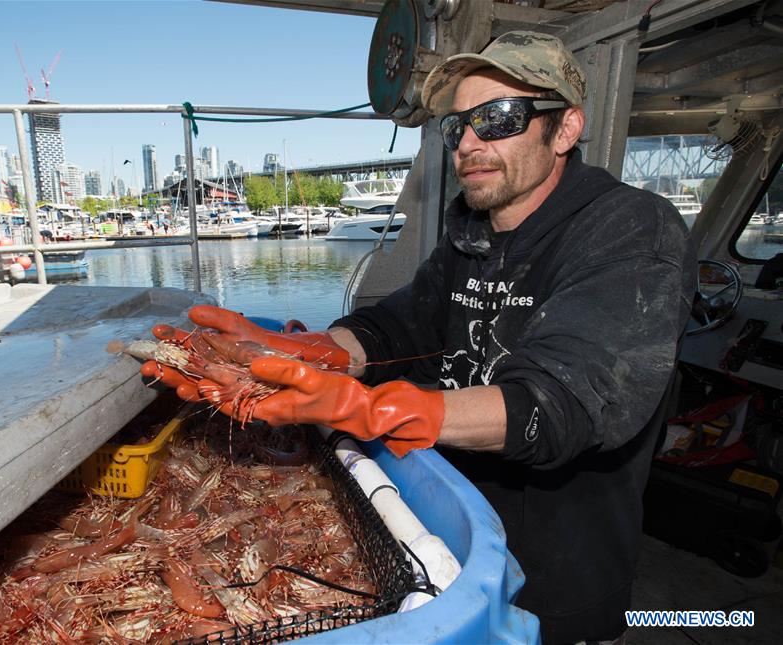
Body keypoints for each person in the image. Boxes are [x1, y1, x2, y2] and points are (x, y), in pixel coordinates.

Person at [142, 31, 695, 644]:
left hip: (557, 582)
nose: (470, 142)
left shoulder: (630, 231)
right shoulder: (472, 232)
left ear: (564, 130)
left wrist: (368, 408)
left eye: (498, 118)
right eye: (457, 126)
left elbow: (561, 404)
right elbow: (397, 325)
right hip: (447, 535)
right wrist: (313, 350)